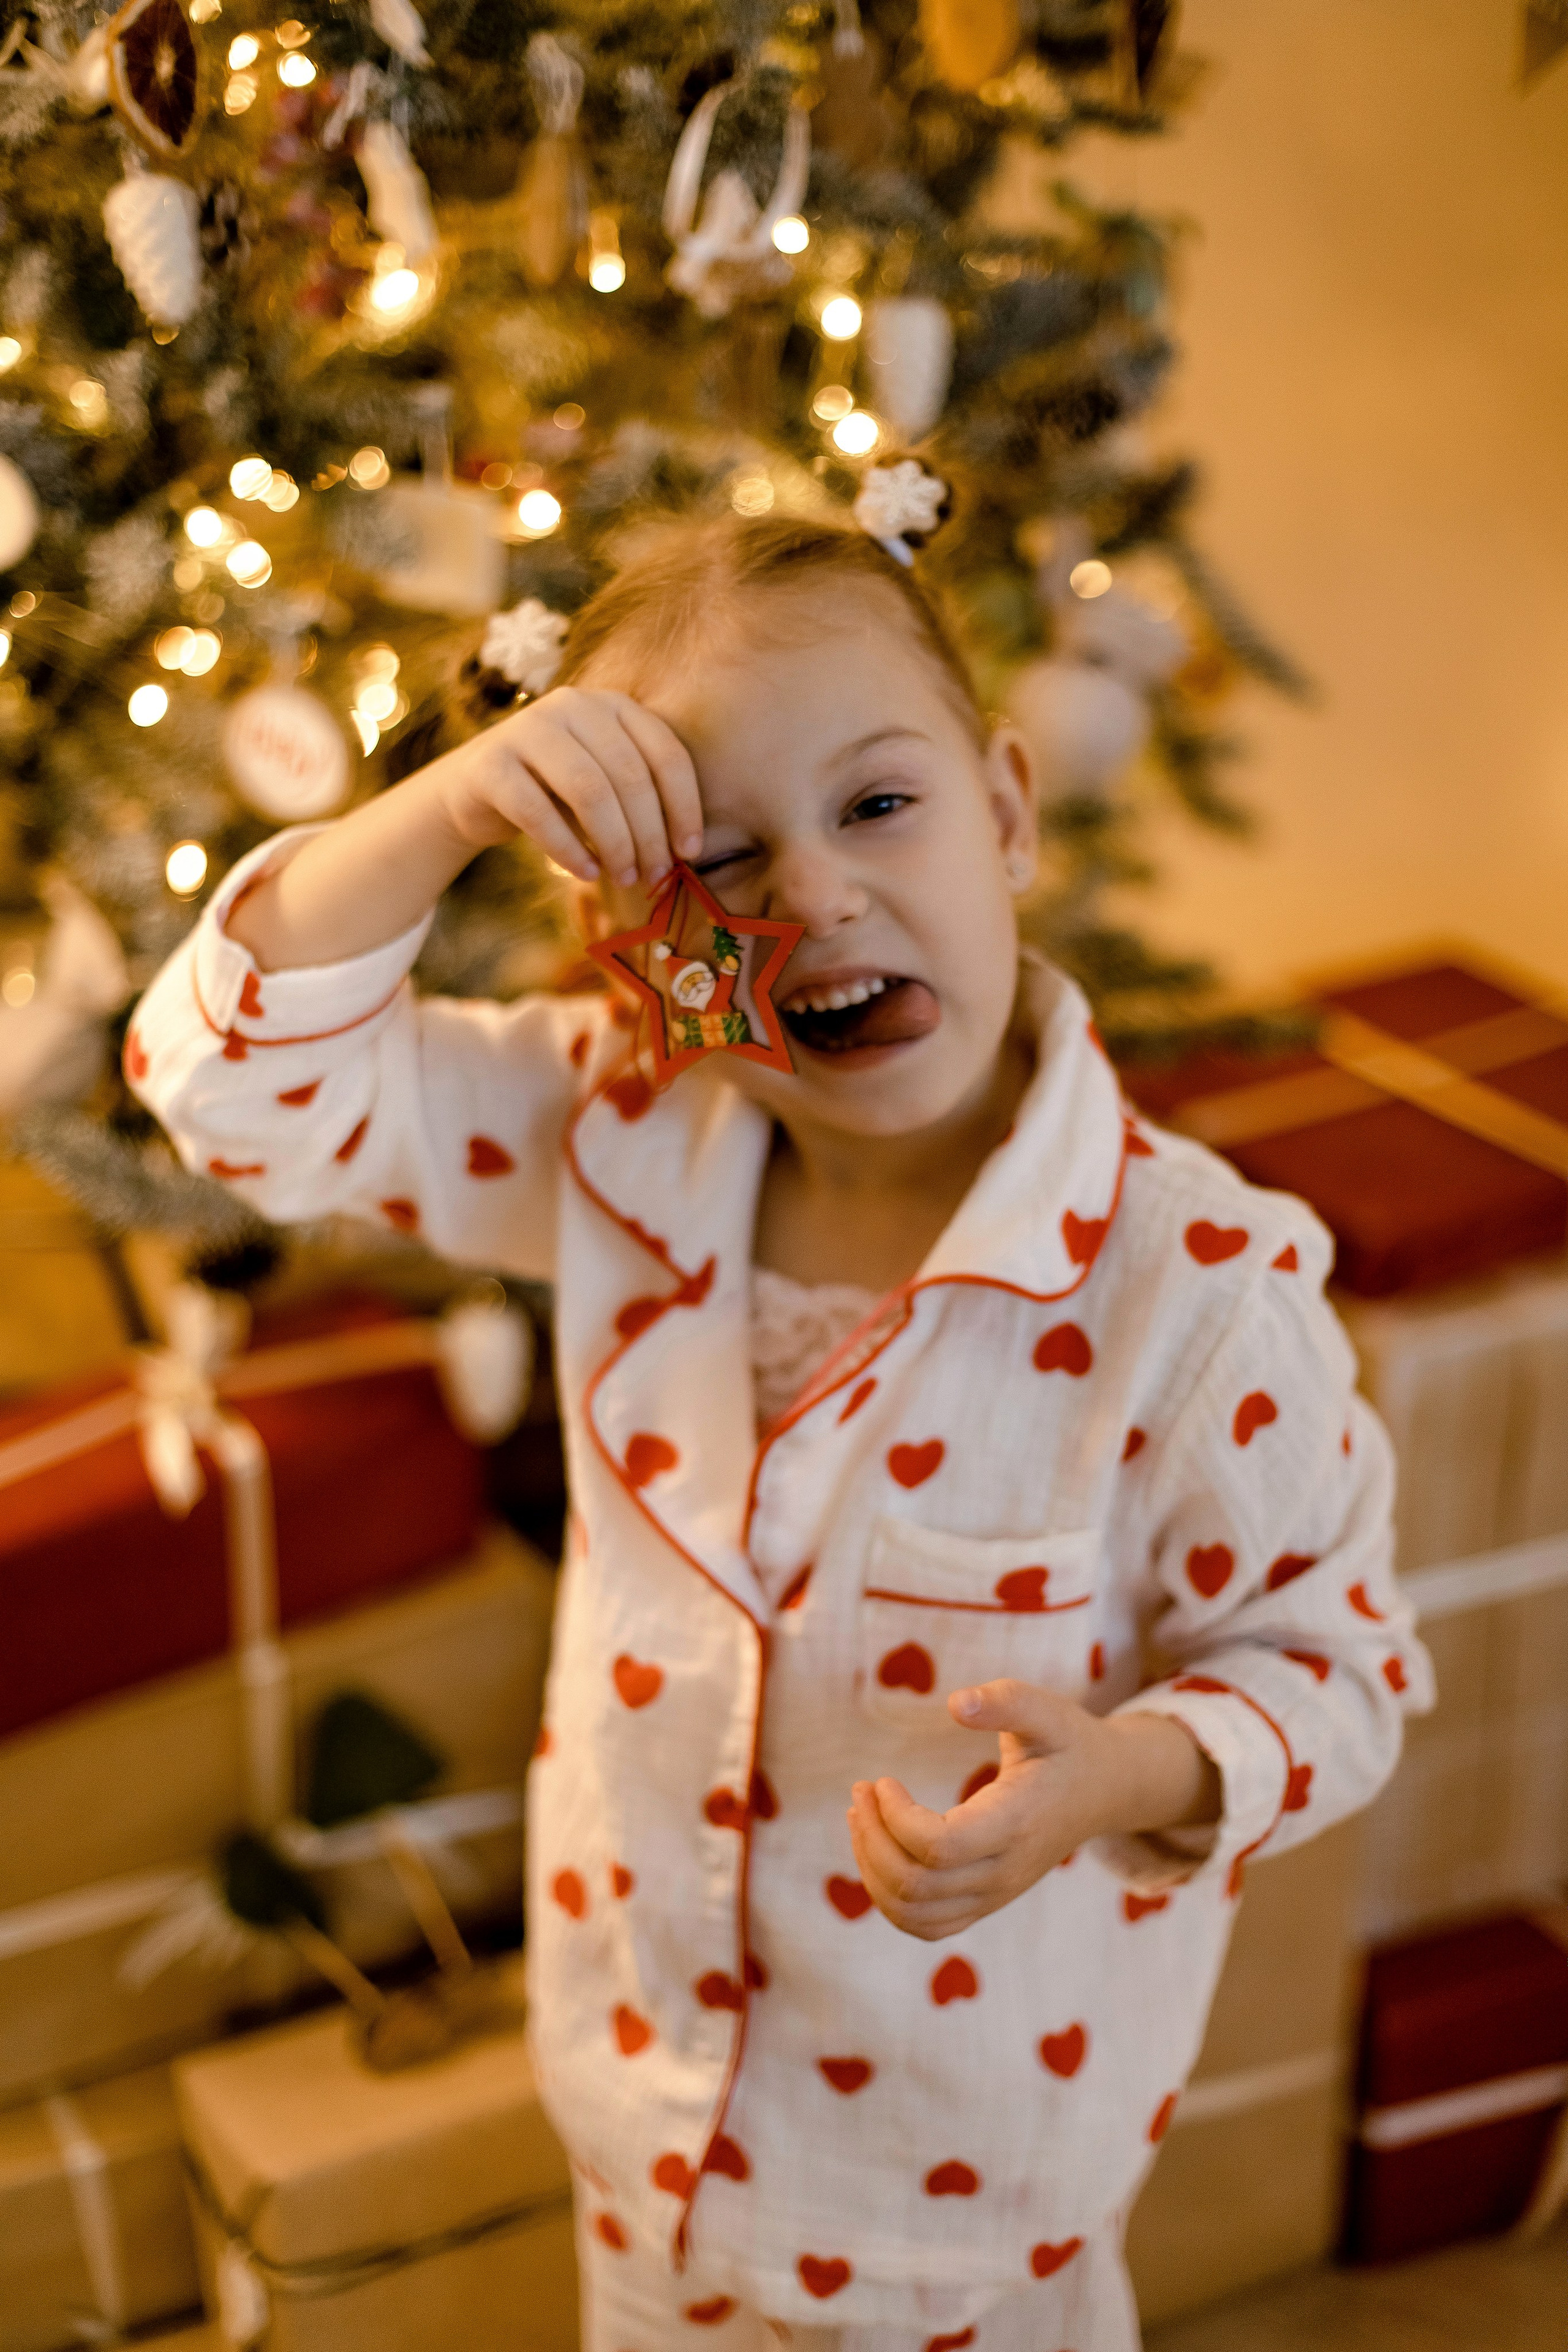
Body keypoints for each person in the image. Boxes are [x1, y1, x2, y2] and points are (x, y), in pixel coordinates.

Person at [129, 503, 1431, 2352]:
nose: (810, 897)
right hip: (645, 2135)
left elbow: (1344, 1675)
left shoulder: (1195, 1290)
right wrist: (445, 812)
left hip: (967, 2207)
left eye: (878, 809)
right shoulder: (607, 1132)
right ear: (634, 950)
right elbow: (229, 1095)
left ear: (1004, 809)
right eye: (720, 857)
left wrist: (1118, 1780)